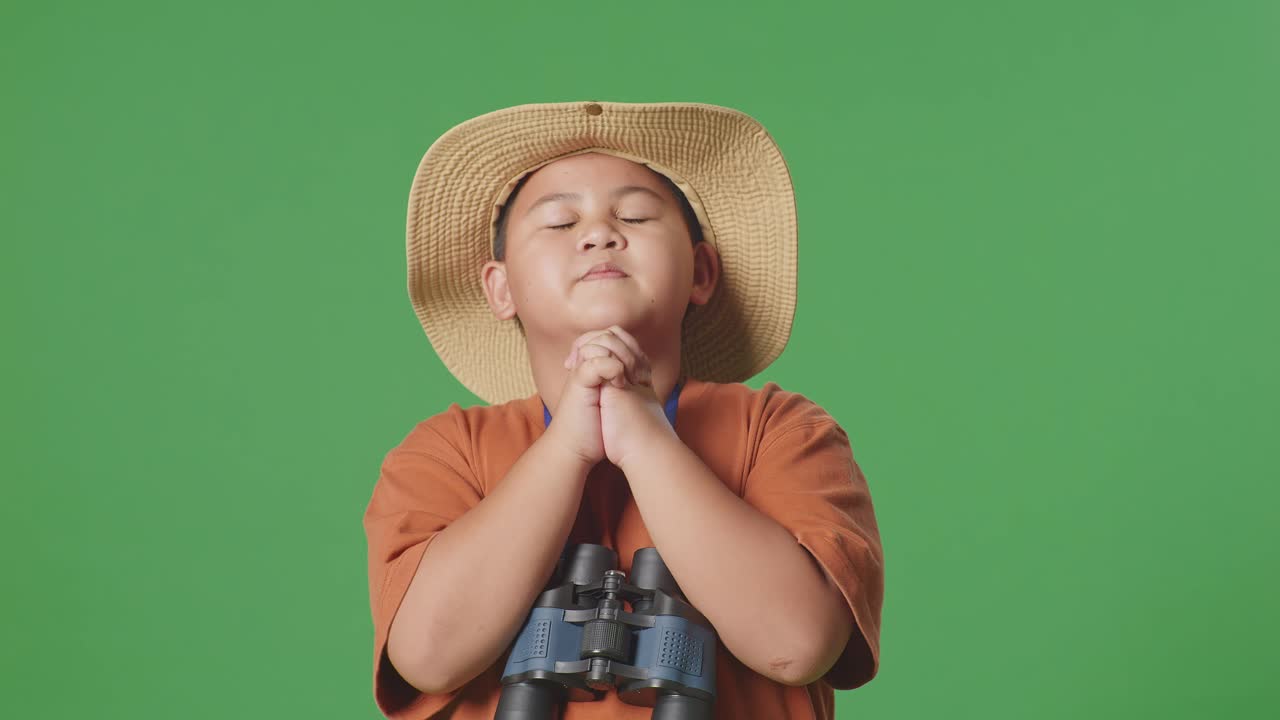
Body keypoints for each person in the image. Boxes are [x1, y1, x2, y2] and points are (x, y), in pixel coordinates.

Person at [362, 100, 885, 719]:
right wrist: (567, 449)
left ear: (702, 271)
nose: (599, 233)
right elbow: (428, 655)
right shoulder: (448, 451)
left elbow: (796, 644)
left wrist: (645, 439)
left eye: (635, 214)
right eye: (559, 223)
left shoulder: (781, 432)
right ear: (500, 288)